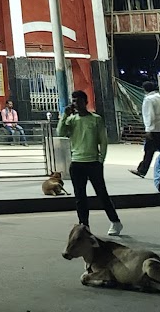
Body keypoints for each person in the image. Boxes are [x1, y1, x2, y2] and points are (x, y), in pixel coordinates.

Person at [57, 88, 123, 237]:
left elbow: (103, 141)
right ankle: (84, 226)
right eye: (74, 101)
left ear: (86, 102)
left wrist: (101, 160)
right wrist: (64, 116)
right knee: (80, 196)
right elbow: (60, 133)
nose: (76, 104)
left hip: (93, 162)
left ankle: (115, 221)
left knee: (101, 194)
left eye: (79, 101)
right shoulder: (71, 120)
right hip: (77, 162)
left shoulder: (96, 119)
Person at [130, 80, 160, 178]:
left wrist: (148, 129)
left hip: (154, 129)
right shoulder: (158, 97)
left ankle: (142, 170)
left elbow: (149, 115)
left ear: (144, 89)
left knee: (148, 151)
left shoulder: (148, 99)